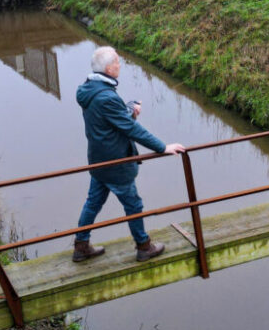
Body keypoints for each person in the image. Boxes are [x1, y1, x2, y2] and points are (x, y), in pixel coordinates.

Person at [73, 46, 186, 263]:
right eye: (117, 62)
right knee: (133, 205)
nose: (120, 65)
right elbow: (131, 129)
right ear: (108, 69)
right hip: (116, 163)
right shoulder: (106, 96)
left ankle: (81, 246)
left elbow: (109, 121)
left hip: (98, 161)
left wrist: (127, 111)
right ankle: (144, 246)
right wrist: (162, 147)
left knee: (93, 203)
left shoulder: (89, 89)